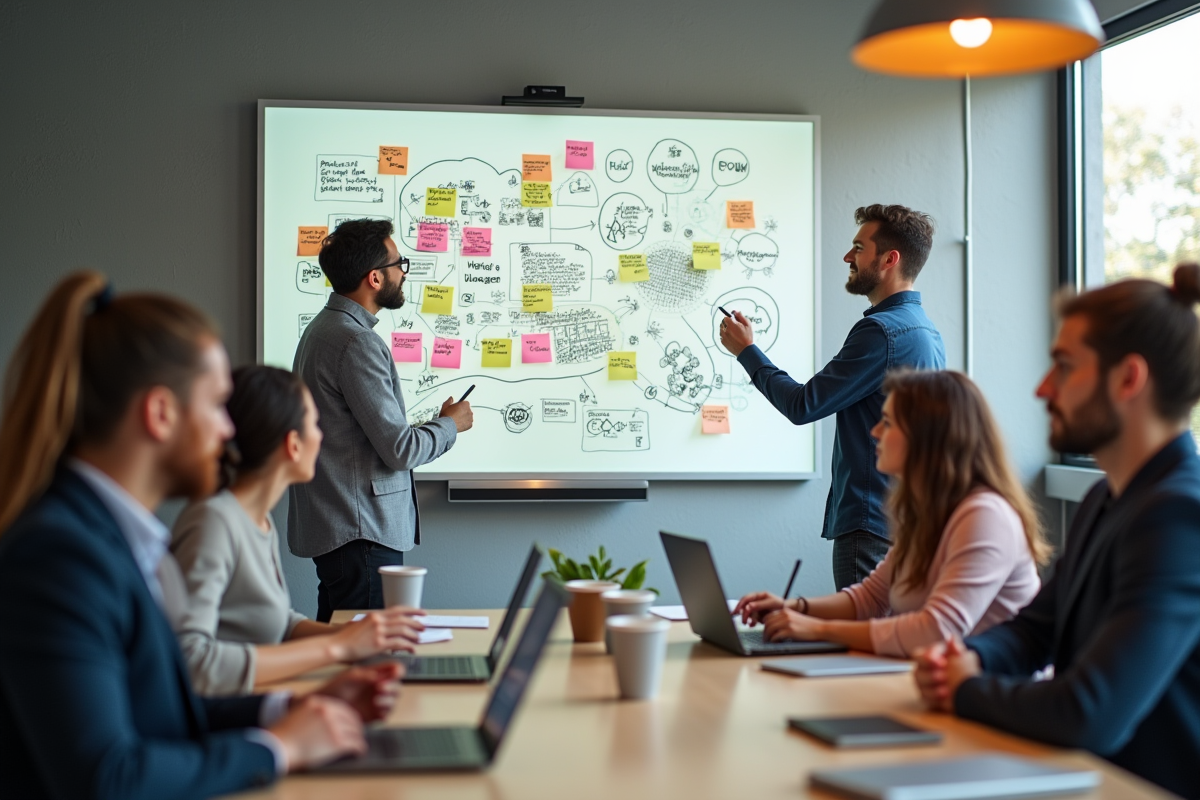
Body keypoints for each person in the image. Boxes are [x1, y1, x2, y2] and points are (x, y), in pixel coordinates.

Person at [0, 272, 403, 798]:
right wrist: (277, 747)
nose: (230, 430)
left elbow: (160, 711)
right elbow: (105, 778)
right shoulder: (58, 557)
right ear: (161, 413)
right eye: (216, 405)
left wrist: (286, 709)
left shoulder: (120, 541)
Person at [912, 264, 1200, 799]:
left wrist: (967, 691)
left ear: (1128, 379)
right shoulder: (1107, 497)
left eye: (1063, 367)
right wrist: (971, 657)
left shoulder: (1181, 516)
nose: (1043, 388)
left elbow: (1089, 711)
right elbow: (1034, 629)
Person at [734, 370, 1047, 657]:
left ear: (928, 437)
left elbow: (935, 632)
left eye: (888, 422)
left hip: (995, 705)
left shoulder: (985, 516)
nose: (874, 431)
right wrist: (793, 607)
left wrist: (815, 629)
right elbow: (869, 599)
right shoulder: (930, 515)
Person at [720, 204, 946, 590]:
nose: (847, 257)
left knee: (863, 644)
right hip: (903, 521)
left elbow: (803, 405)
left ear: (889, 259)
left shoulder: (881, 333)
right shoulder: (924, 329)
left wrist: (747, 352)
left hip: (871, 526)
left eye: (859, 247)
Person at [170, 365, 426, 696]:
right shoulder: (213, 523)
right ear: (293, 444)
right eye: (315, 424)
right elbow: (190, 664)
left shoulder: (256, 520)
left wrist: (355, 635)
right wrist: (337, 649)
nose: (321, 436)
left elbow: (275, 622)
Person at [291, 218, 473, 622]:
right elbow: (400, 449)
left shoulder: (322, 331)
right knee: (366, 664)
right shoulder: (356, 341)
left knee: (344, 654)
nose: (403, 273)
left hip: (346, 529)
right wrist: (450, 425)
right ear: (374, 277)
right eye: (399, 264)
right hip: (363, 534)